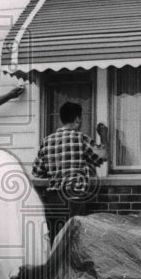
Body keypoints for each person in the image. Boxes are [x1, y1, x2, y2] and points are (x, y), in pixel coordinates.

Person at [32, 102, 109, 239]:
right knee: (74, 238)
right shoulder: (80, 138)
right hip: (74, 196)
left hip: (54, 197)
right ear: (77, 119)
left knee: (56, 238)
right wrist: (103, 135)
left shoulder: (47, 141)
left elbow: (37, 171)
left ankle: (56, 261)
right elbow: (101, 156)